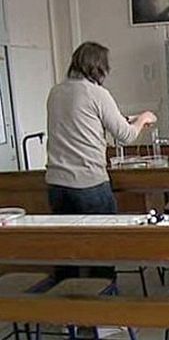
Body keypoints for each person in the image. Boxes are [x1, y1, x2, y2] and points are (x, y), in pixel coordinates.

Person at [45, 41, 156, 279]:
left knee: (67, 250)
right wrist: (143, 118)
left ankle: (66, 306)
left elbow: (81, 122)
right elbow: (126, 136)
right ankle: (104, 301)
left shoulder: (56, 92)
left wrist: (126, 118)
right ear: (97, 68)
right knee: (102, 248)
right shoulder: (97, 93)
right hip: (89, 184)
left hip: (56, 184)